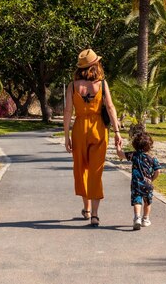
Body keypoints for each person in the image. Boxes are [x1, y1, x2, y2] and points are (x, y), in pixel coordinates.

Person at [63, 49, 124, 227]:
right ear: (95, 65)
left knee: (81, 168)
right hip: (98, 128)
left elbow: (68, 112)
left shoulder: (72, 85)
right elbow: (111, 108)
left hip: (80, 129)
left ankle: (87, 208)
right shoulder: (102, 84)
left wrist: (66, 136)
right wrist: (117, 132)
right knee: (96, 171)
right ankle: (95, 215)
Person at [129, 132, 161, 231]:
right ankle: (145, 219)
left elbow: (120, 154)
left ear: (135, 145)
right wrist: (152, 179)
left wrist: (118, 147)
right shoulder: (153, 158)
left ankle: (137, 217)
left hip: (136, 183)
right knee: (147, 201)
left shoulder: (133, 155)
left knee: (137, 200)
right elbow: (158, 171)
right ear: (150, 146)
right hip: (148, 183)